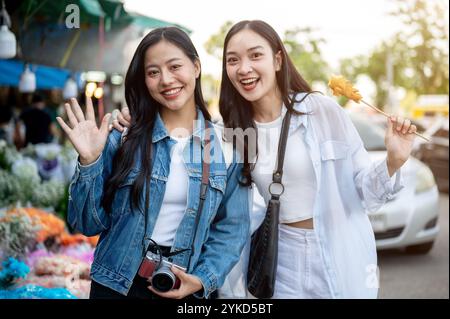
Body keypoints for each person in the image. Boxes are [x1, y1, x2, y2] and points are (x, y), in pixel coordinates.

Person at [216, 20, 416, 299]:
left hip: (335, 249)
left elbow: (365, 193)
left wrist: (393, 160)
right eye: (233, 60)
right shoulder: (230, 130)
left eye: (255, 55)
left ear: (277, 60)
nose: (244, 68)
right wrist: (133, 122)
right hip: (278, 258)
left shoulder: (319, 111)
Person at [57, 27, 249, 299]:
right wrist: (89, 162)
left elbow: (232, 229)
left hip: (186, 287)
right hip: (116, 285)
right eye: (153, 72)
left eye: (175, 66)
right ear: (143, 80)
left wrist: (201, 279)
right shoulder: (123, 137)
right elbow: (86, 224)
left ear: (195, 67)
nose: (166, 80)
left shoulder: (227, 148)